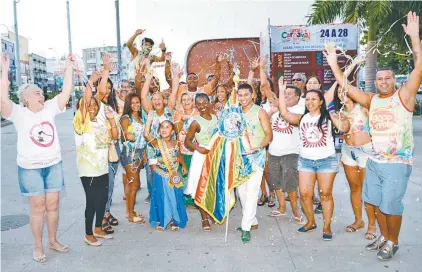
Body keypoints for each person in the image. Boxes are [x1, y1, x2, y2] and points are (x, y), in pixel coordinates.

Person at [325, 11, 421, 260]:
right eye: (380, 78)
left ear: (394, 80)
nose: (384, 81)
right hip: (375, 160)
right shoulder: (371, 100)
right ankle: (382, 235)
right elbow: (344, 88)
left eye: (388, 77)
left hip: (397, 163)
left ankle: (393, 241)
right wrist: (335, 64)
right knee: (374, 202)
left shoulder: (405, 97)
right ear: (375, 82)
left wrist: (415, 39)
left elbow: (419, 68)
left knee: (391, 205)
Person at [1, 53, 74, 262]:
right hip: (30, 168)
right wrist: (4, 69)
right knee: (38, 207)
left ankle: (53, 240)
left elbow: (66, 91)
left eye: (42, 93)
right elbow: (3, 98)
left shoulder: (50, 108)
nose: (41, 96)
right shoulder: (17, 113)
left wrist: (69, 67)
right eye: (37, 93)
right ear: (26, 97)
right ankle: (37, 246)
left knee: (53, 205)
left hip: (53, 165)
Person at [278, 76, 350, 241]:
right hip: (306, 162)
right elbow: (284, 112)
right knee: (304, 194)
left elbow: (345, 127)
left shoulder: (329, 116)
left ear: (321, 102)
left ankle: (326, 226)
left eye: (314, 99)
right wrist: (281, 92)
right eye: (307, 99)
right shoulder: (302, 118)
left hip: (326, 161)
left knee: (325, 194)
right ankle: (311, 222)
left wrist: (333, 112)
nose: (310, 102)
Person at [73, 70, 119, 246]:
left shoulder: (100, 122)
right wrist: (91, 82)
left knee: (102, 200)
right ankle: (88, 233)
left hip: (102, 167)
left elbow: (114, 136)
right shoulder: (81, 122)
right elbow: (88, 100)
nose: (92, 107)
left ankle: (99, 228)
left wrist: (110, 120)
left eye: (95, 105)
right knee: (92, 201)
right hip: (88, 169)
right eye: (89, 105)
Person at [236, 83, 273, 242]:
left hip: (256, 157)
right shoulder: (235, 112)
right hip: (239, 158)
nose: (243, 98)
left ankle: (246, 227)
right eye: (240, 95)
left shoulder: (260, 111)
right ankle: (252, 221)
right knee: (241, 193)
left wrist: (259, 147)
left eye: (246, 95)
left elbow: (268, 135)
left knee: (252, 192)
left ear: (252, 95)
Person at [140, 63, 180, 203]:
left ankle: (171, 199)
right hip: (153, 149)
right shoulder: (150, 111)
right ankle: (156, 198)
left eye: (159, 98)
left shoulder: (169, 109)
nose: (157, 101)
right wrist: (148, 78)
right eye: (154, 99)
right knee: (153, 176)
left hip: (169, 149)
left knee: (170, 174)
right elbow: (143, 96)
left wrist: (175, 75)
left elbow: (174, 91)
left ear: (163, 100)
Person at [144, 113, 188, 232]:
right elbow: (146, 135)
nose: (164, 129)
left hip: (173, 174)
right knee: (161, 196)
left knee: (174, 196)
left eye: (167, 127)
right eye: (162, 127)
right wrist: (149, 120)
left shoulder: (176, 143)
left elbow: (179, 155)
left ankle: (174, 219)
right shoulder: (156, 143)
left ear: (173, 130)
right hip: (160, 174)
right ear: (159, 130)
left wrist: (183, 166)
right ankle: (163, 220)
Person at [184, 93, 219, 231]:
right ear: (195, 106)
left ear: (209, 102)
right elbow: (187, 141)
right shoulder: (195, 122)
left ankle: (210, 212)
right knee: (200, 187)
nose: (202, 106)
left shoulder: (216, 118)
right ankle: (204, 218)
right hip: (201, 157)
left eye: (204, 102)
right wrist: (199, 148)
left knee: (212, 186)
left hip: (214, 156)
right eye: (198, 104)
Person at [120, 93, 147, 223]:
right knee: (134, 183)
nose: (136, 105)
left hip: (140, 153)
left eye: (137, 102)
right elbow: (124, 134)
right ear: (128, 105)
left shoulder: (141, 117)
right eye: (133, 103)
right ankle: (130, 215)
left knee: (133, 183)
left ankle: (130, 210)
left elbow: (143, 138)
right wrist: (127, 134)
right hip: (130, 153)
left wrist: (145, 154)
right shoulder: (126, 118)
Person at [174, 93, 199, 195]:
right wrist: (181, 121)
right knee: (183, 172)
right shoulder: (178, 113)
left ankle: (193, 198)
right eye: (183, 100)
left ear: (192, 101)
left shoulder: (197, 112)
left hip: (195, 149)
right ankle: (183, 199)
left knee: (194, 174)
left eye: (188, 99)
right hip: (182, 149)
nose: (186, 101)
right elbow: (176, 130)